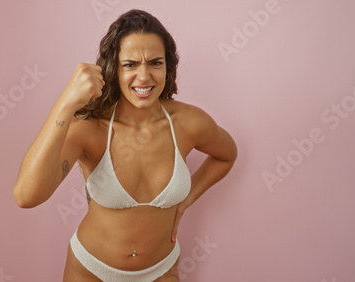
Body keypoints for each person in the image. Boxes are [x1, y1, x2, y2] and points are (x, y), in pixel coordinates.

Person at [13, 9, 237, 281]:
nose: (144, 77)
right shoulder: (90, 131)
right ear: (113, 69)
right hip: (91, 271)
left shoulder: (189, 122)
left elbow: (227, 154)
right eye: (130, 64)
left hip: (162, 270)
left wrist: (185, 202)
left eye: (155, 63)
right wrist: (66, 104)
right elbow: (26, 196)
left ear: (168, 67)